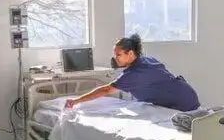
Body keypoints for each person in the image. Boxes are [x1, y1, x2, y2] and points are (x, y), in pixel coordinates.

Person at [65, 34, 201, 112]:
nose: (115, 58)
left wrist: (76, 101)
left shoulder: (133, 75)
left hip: (181, 103)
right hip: (188, 94)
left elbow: (105, 90)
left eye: (118, 55)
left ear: (130, 53)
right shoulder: (147, 59)